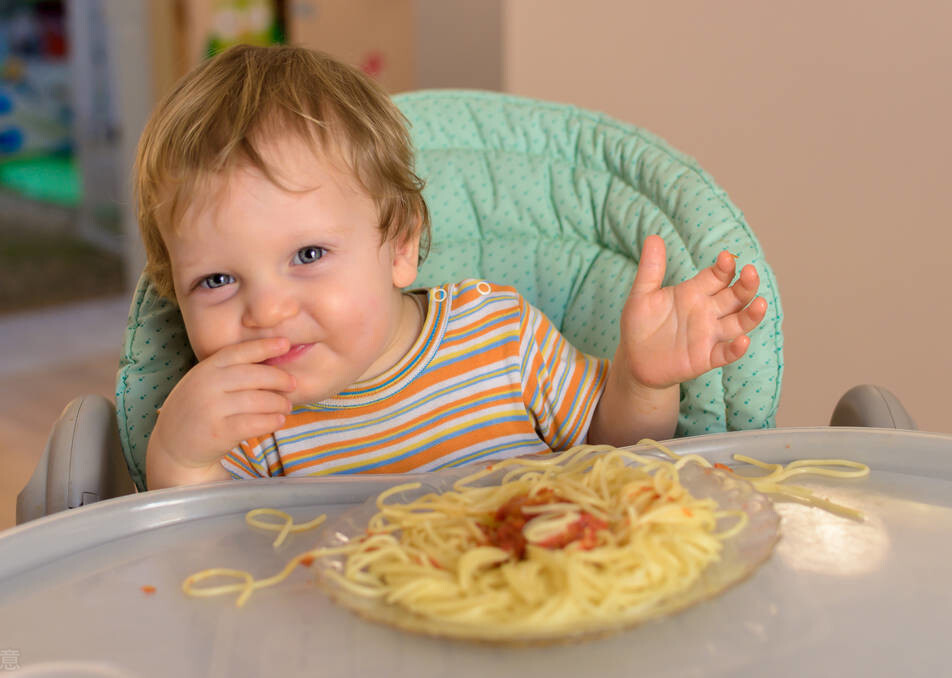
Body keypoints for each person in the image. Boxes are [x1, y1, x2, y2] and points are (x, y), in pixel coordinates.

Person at [134, 45, 767, 490]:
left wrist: (645, 381)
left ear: (401, 245)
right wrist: (182, 456)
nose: (267, 310)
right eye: (216, 280)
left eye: (308, 255)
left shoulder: (499, 337)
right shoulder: (239, 418)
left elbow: (618, 454)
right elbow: (202, 564)